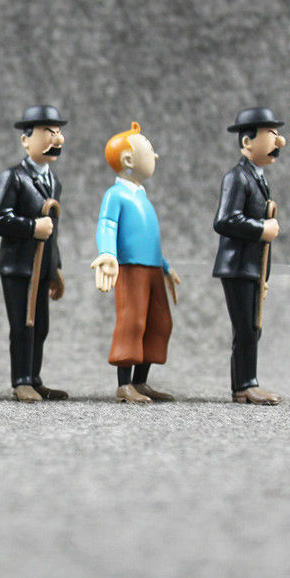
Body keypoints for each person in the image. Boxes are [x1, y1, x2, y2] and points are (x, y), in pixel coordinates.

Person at [91, 122, 180, 403]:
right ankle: (124, 384)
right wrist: (108, 253)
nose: (155, 156)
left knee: (159, 322)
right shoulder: (115, 194)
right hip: (130, 268)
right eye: (149, 149)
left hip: (152, 268)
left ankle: (141, 381)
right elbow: (107, 224)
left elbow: (148, 238)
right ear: (129, 159)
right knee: (133, 321)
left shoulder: (141, 195)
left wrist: (165, 266)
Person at [0, 105, 68, 402]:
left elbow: (53, 232)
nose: (56, 138)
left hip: (42, 267)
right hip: (18, 267)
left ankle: (34, 378)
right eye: (47, 132)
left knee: (41, 326)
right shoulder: (13, 177)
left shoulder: (54, 182)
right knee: (22, 325)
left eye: (58, 132)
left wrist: (55, 268)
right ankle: (21, 381)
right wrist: (32, 226)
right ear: (26, 140)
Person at [213, 107, 286, 404]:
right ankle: (244, 385)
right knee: (245, 328)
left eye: (277, 134)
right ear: (247, 142)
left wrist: (263, 275)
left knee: (253, 328)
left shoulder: (258, 178)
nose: (279, 141)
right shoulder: (237, 177)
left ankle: (246, 384)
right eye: (271, 135)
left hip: (253, 269)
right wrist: (261, 229)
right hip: (238, 267)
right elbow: (225, 220)